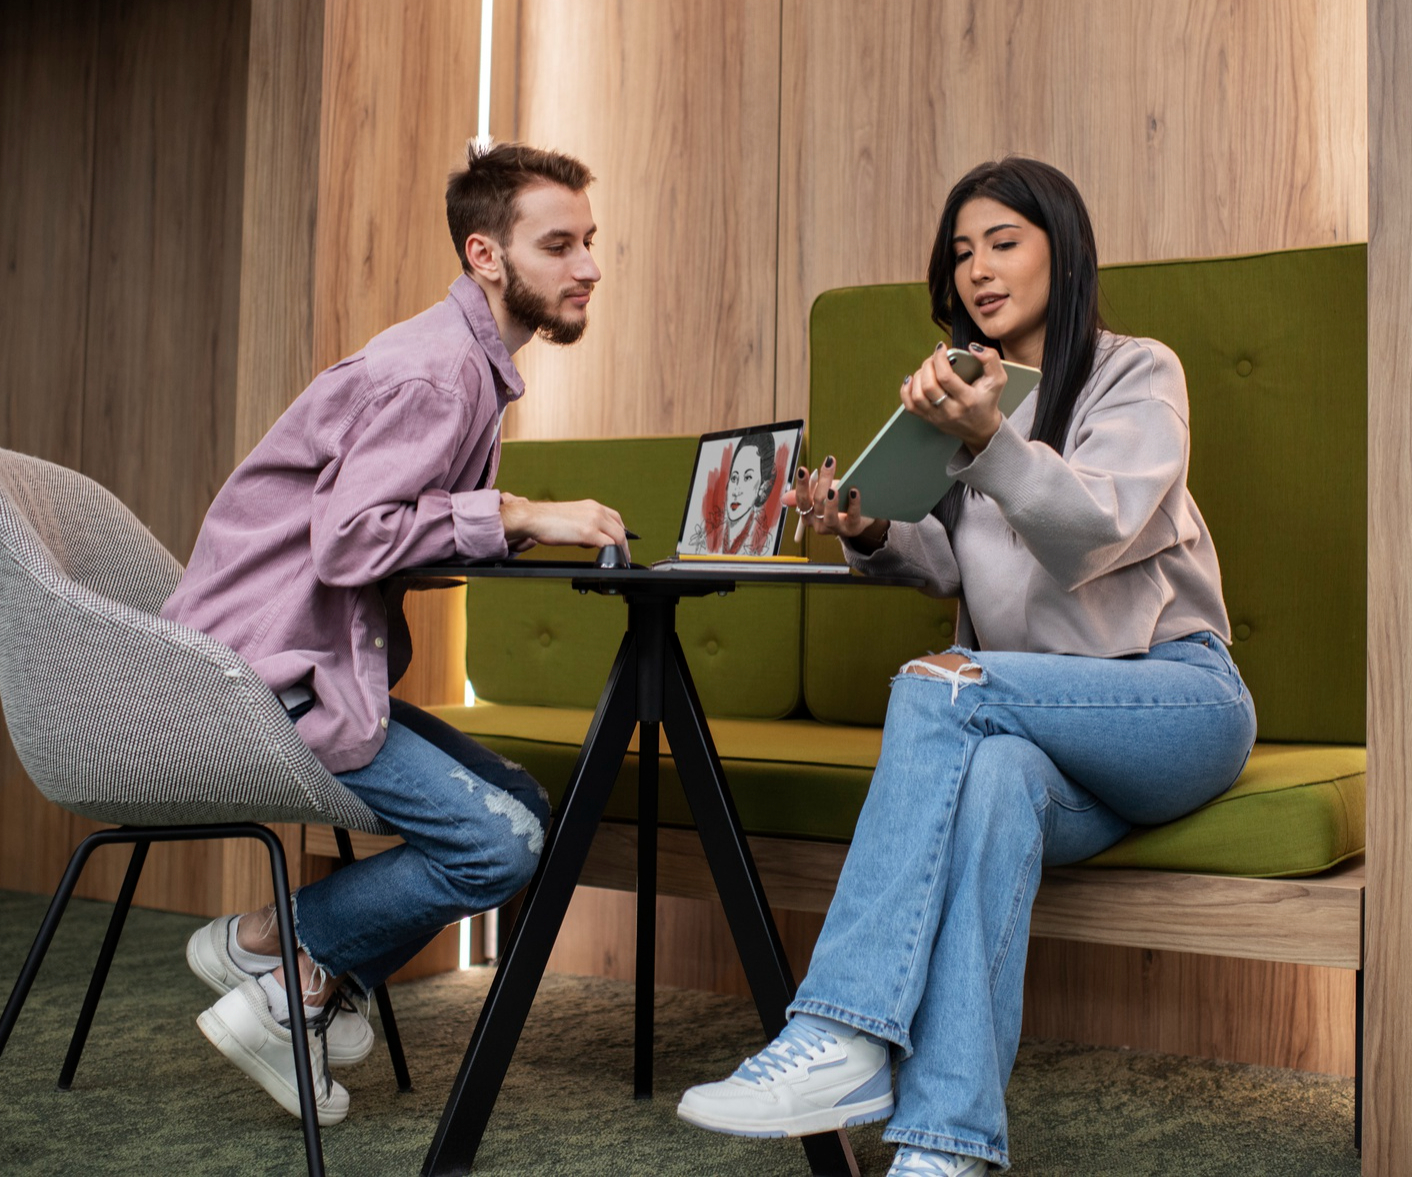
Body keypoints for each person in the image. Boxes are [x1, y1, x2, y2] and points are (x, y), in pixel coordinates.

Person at [676, 158, 1256, 1177]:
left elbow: (1093, 529)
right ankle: (946, 1147)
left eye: (1002, 242)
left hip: (1173, 701)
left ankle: (846, 1030)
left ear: (1058, 250)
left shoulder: (1134, 373)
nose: (978, 270)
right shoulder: (966, 399)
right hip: (1032, 730)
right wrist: (865, 529)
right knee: (988, 781)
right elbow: (954, 563)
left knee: (939, 680)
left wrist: (985, 436)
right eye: (960, 253)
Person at [162, 141, 628, 1125]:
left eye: (589, 242)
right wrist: (516, 514)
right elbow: (349, 544)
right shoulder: (433, 372)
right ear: (485, 256)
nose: (587, 266)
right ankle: (292, 982)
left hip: (297, 662)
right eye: (558, 244)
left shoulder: (465, 363)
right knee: (499, 847)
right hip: (267, 681)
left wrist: (507, 519)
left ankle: (267, 949)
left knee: (519, 802)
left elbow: (386, 533)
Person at [684, 429, 788, 555]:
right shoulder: (705, 539)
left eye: (747, 478)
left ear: (762, 487)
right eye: (734, 478)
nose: (736, 490)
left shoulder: (762, 544)